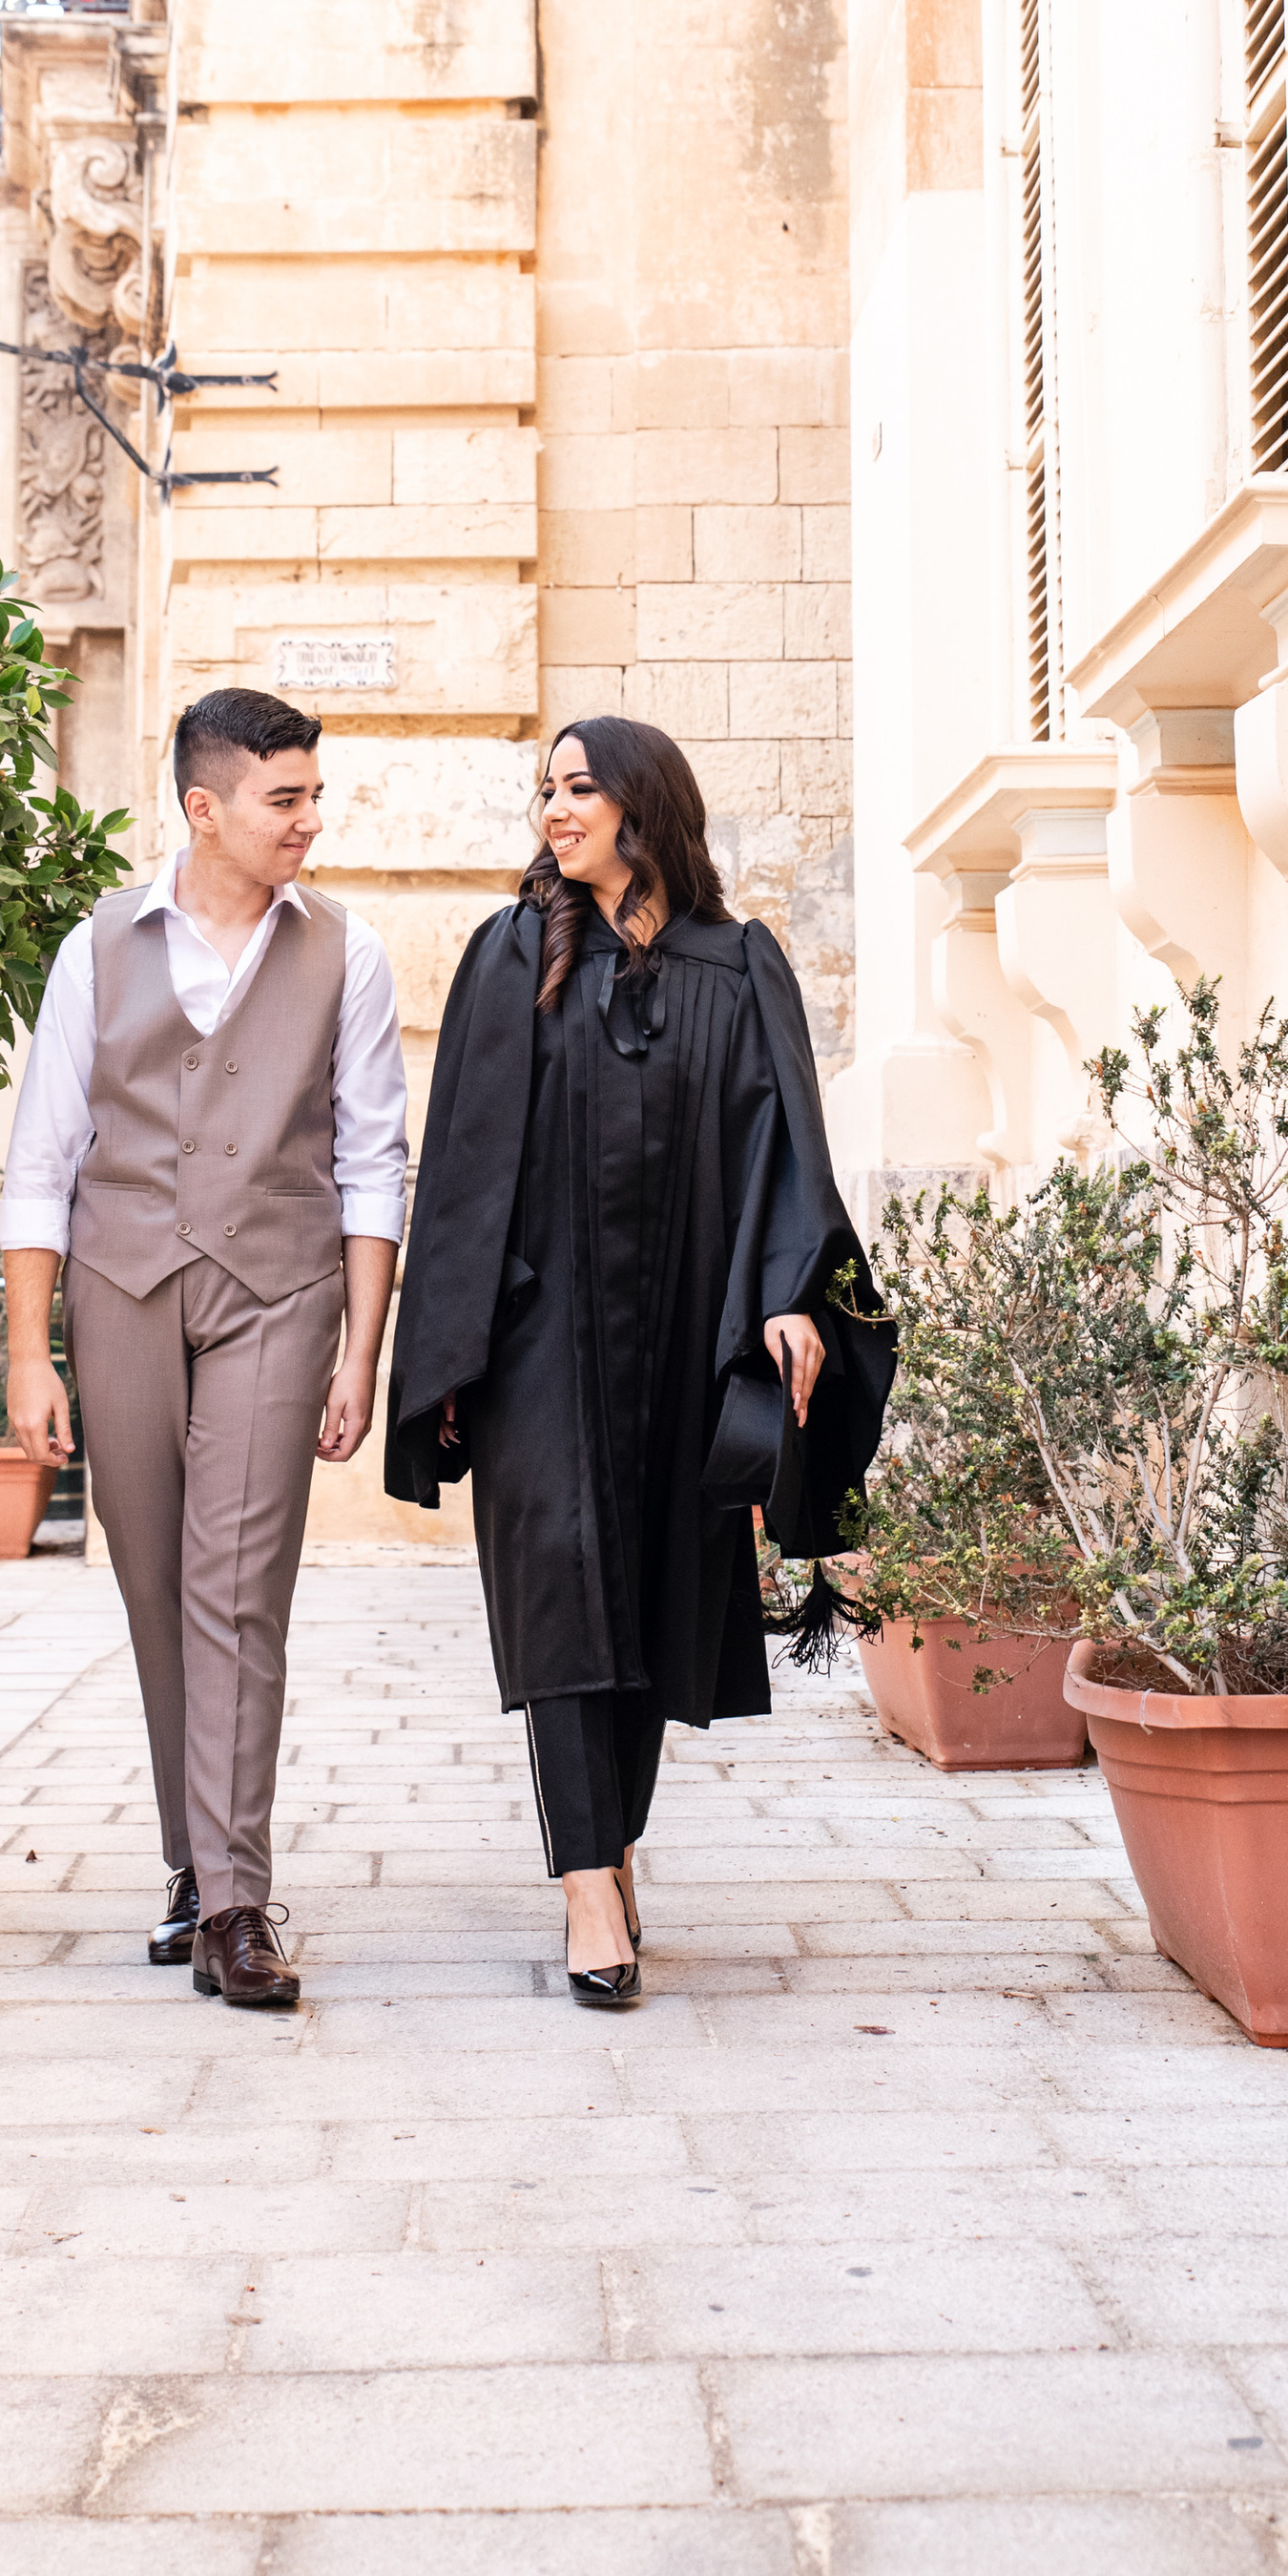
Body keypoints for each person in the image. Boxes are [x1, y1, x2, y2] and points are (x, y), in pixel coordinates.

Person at [384, 717, 893, 2006]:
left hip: (687, 1330)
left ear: (643, 809)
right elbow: (459, 1167)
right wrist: (447, 1351)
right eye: (544, 791)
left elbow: (789, 1145)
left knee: (658, 1607)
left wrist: (788, 1299)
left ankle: (612, 1850)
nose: (553, 811)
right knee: (560, 1591)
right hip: (535, 1335)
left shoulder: (741, 964)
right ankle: (588, 1896)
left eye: (577, 789)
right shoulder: (515, 957)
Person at [2, 686, 407, 2009]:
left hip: (278, 1294)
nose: (309, 820)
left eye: (311, 794)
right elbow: (43, 1158)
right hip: (118, 1289)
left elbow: (369, 1162)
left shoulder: (346, 954)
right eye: (284, 798)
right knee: (154, 1584)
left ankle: (235, 1902)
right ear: (205, 808)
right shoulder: (98, 948)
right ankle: (192, 1867)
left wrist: (360, 1351)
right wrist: (26, 1349)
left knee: (238, 1584)